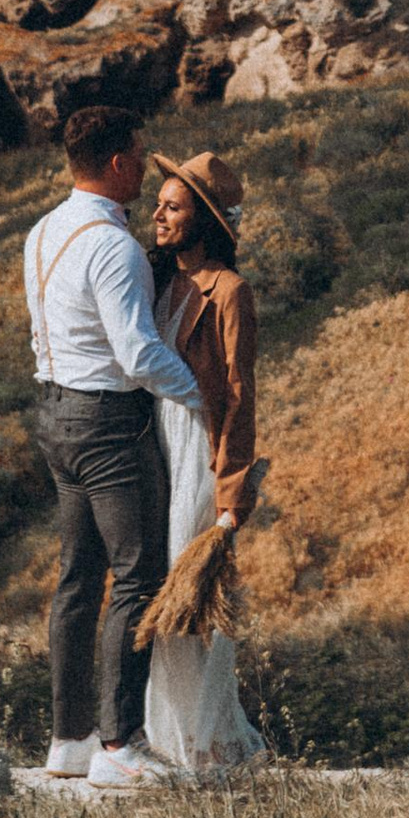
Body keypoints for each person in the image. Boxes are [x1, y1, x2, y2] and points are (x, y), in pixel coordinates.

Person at [22, 101, 210, 790]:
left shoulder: (43, 231)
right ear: (118, 163)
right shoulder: (113, 245)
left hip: (55, 414)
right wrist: (204, 395)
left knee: (77, 578)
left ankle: (68, 738)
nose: (142, 162)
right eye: (139, 151)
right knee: (138, 574)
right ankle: (118, 740)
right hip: (108, 423)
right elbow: (137, 355)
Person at [140, 147, 268, 783]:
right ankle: (173, 739)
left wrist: (231, 495)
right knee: (160, 589)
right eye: (159, 204)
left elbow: (240, 395)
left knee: (192, 592)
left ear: (205, 219)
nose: (158, 215)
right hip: (159, 445)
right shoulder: (165, 285)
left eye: (172, 207)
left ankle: (210, 742)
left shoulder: (230, 292)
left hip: (196, 443)